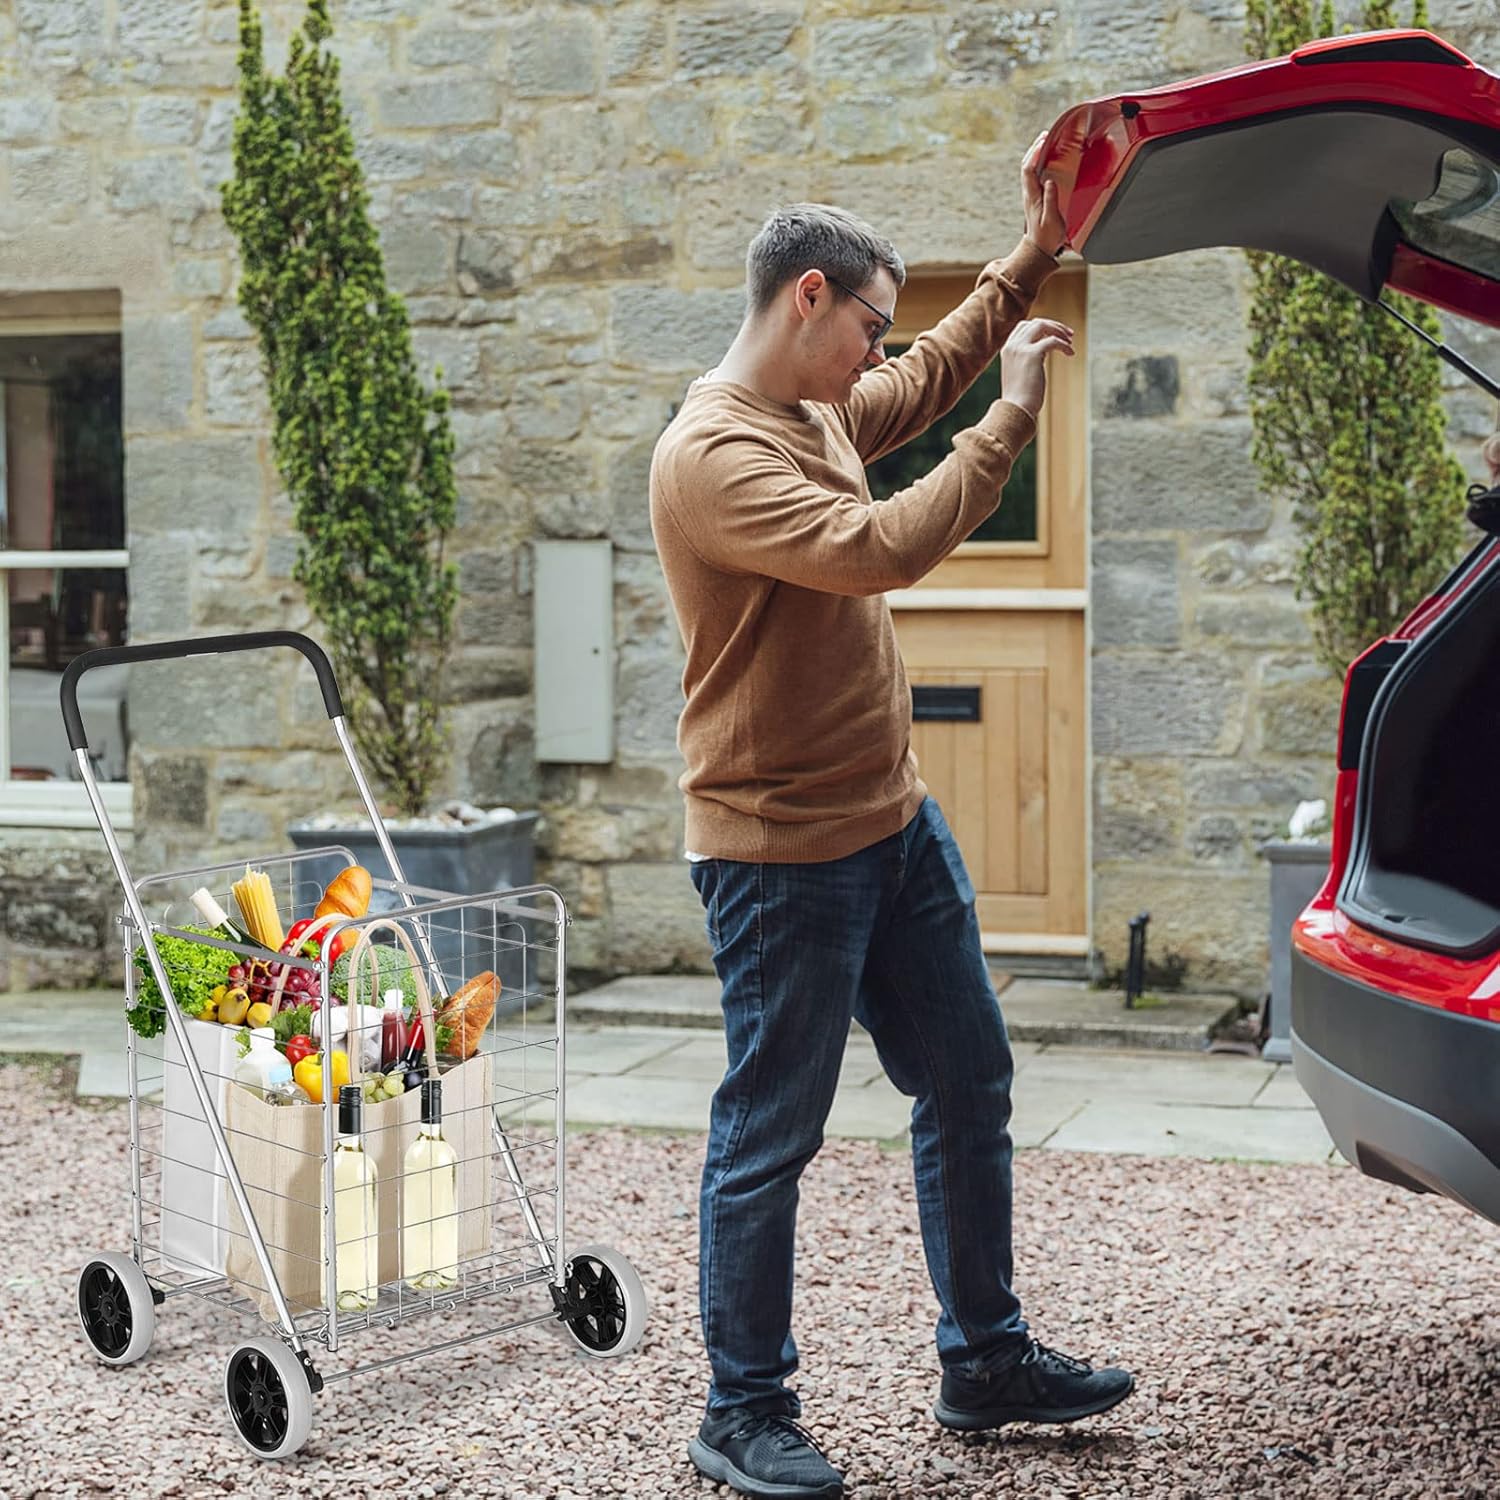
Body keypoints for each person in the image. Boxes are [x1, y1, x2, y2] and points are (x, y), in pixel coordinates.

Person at [648, 133, 1134, 1500]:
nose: (881, 347)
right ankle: (742, 1412)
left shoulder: (813, 409)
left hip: (891, 823)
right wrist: (1016, 418)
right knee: (772, 1134)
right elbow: (880, 550)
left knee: (969, 1079)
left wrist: (1034, 253)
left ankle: (985, 1361)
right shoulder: (712, 455)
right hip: (778, 851)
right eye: (869, 320)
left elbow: (921, 380)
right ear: (806, 296)